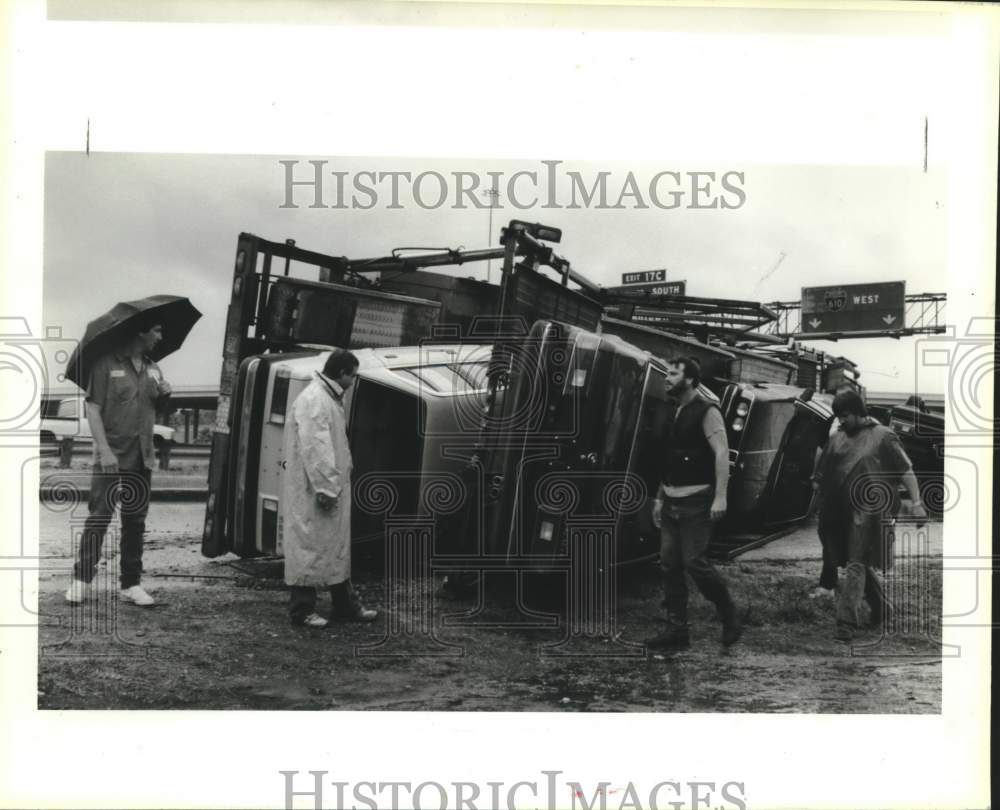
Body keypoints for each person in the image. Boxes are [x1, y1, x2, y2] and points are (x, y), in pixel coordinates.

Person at [65, 320, 170, 607]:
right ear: (141, 331)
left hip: (141, 457)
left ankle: (131, 584)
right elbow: (93, 410)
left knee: (135, 522)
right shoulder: (104, 365)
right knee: (99, 518)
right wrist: (104, 450)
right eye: (157, 330)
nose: (160, 336)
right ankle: (81, 580)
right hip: (111, 457)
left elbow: (156, 411)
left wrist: (165, 397)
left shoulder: (154, 369)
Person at [813, 390, 927, 643]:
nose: (840, 421)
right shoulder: (837, 438)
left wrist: (917, 503)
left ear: (858, 412)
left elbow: (906, 471)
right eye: (837, 417)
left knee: (855, 562)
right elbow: (823, 472)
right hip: (840, 510)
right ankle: (883, 608)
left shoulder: (884, 437)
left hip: (870, 512)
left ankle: (846, 622)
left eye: (844, 416)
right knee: (854, 560)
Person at [646, 357, 744, 651]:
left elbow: (721, 453)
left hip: (696, 503)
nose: (666, 378)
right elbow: (667, 458)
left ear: (689, 379)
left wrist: (721, 496)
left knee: (695, 563)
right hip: (671, 500)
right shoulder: (673, 411)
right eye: (667, 373)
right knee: (669, 565)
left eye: (673, 374)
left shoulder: (707, 411)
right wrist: (659, 498)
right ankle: (677, 631)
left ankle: (729, 614)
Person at [283, 349, 377, 628]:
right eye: (353, 375)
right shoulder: (316, 400)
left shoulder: (326, 397)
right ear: (343, 373)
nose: (353, 381)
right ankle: (302, 610)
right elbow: (317, 448)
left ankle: (344, 605)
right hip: (316, 488)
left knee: (333, 546)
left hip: (325, 485)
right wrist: (326, 488)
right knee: (308, 546)